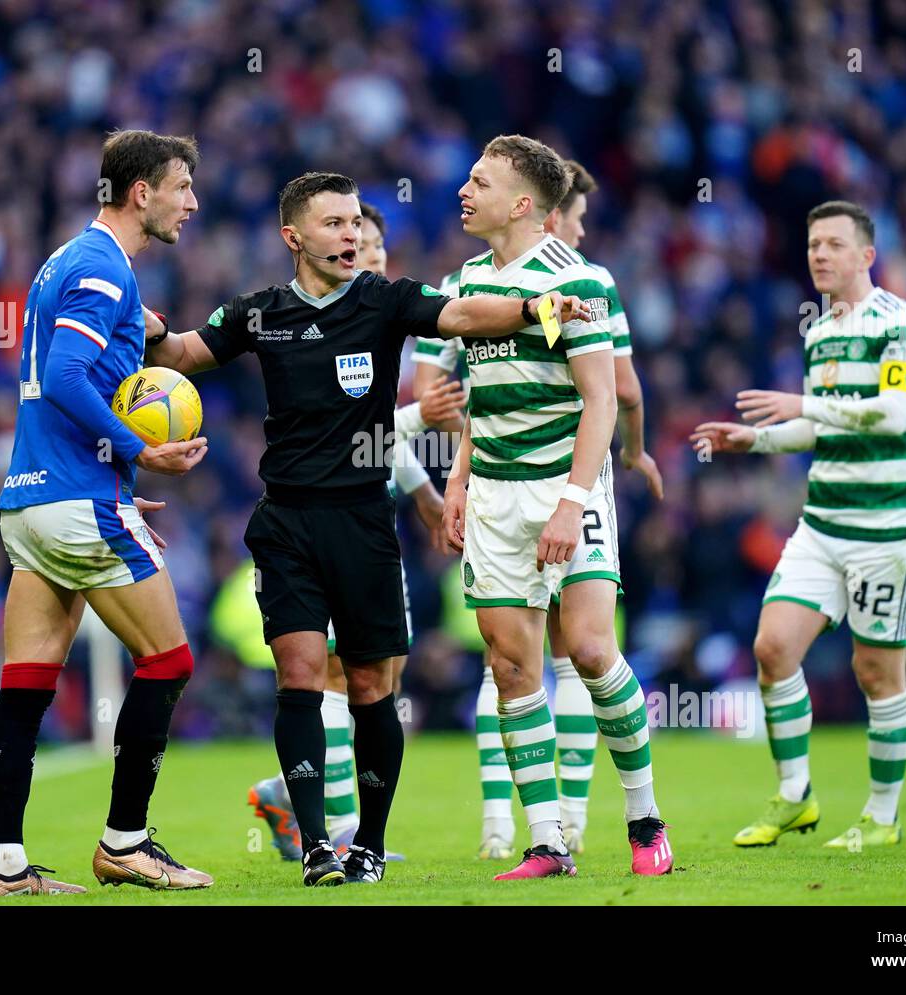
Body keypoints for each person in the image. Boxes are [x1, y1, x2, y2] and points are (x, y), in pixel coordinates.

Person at [144, 170, 590, 886]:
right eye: (335, 224)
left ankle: (370, 844)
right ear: (294, 237)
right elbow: (184, 356)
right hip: (287, 522)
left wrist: (536, 306)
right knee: (298, 673)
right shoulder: (259, 312)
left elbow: (466, 315)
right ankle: (318, 841)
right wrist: (152, 329)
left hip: (363, 521)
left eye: (356, 223)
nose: (352, 235)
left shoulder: (385, 302)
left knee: (371, 686)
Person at [0, 129, 212, 897]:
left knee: (26, 682)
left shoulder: (66, 261)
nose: (193, 202)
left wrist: (111, 471)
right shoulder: (103, 269)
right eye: (182, 186)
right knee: (169, 660)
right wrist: (133, 449)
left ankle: (5, 865)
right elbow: (71, 378)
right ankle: (126, 841)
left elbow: (69, 366)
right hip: (76, 497)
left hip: (32, 499)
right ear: (141, 191)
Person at [415, 158, 664, 858]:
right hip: (493, 493)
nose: (463, 191)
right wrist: (459, 481)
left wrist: (570, 503)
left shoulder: (575, 280)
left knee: (587, 649)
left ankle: (645, 820)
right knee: (510, 666)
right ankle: (546, 842)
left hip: (565, 487)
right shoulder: (463, 282)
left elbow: (602, 400)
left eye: (480, 183)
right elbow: (479, 397)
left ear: (523, 202)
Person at [690, 200, 906, 849]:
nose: (819, 255)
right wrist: (757, 440)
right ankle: (795, 795)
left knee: (877, 672)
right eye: (812, 245)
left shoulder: (901, 326)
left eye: (832, 244)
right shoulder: (820, 331)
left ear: (866, 256)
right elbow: (819, 422)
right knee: (772, 648)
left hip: (887, 529)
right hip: (823, 524)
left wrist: (802, 403)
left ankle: (883, 816)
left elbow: (889, 411)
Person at [247, 201, 463, 863]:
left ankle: (290, 790)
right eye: (353, 245)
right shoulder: (317, 323)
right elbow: (355, 436)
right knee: (339, 675)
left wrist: (423, 492)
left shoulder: (381, 312)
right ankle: (338, 826)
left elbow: (379, 442)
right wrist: (421, 421)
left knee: (381, 677)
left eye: (373, 248)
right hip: (322, 522)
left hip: (373, 517)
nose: (365, 258)